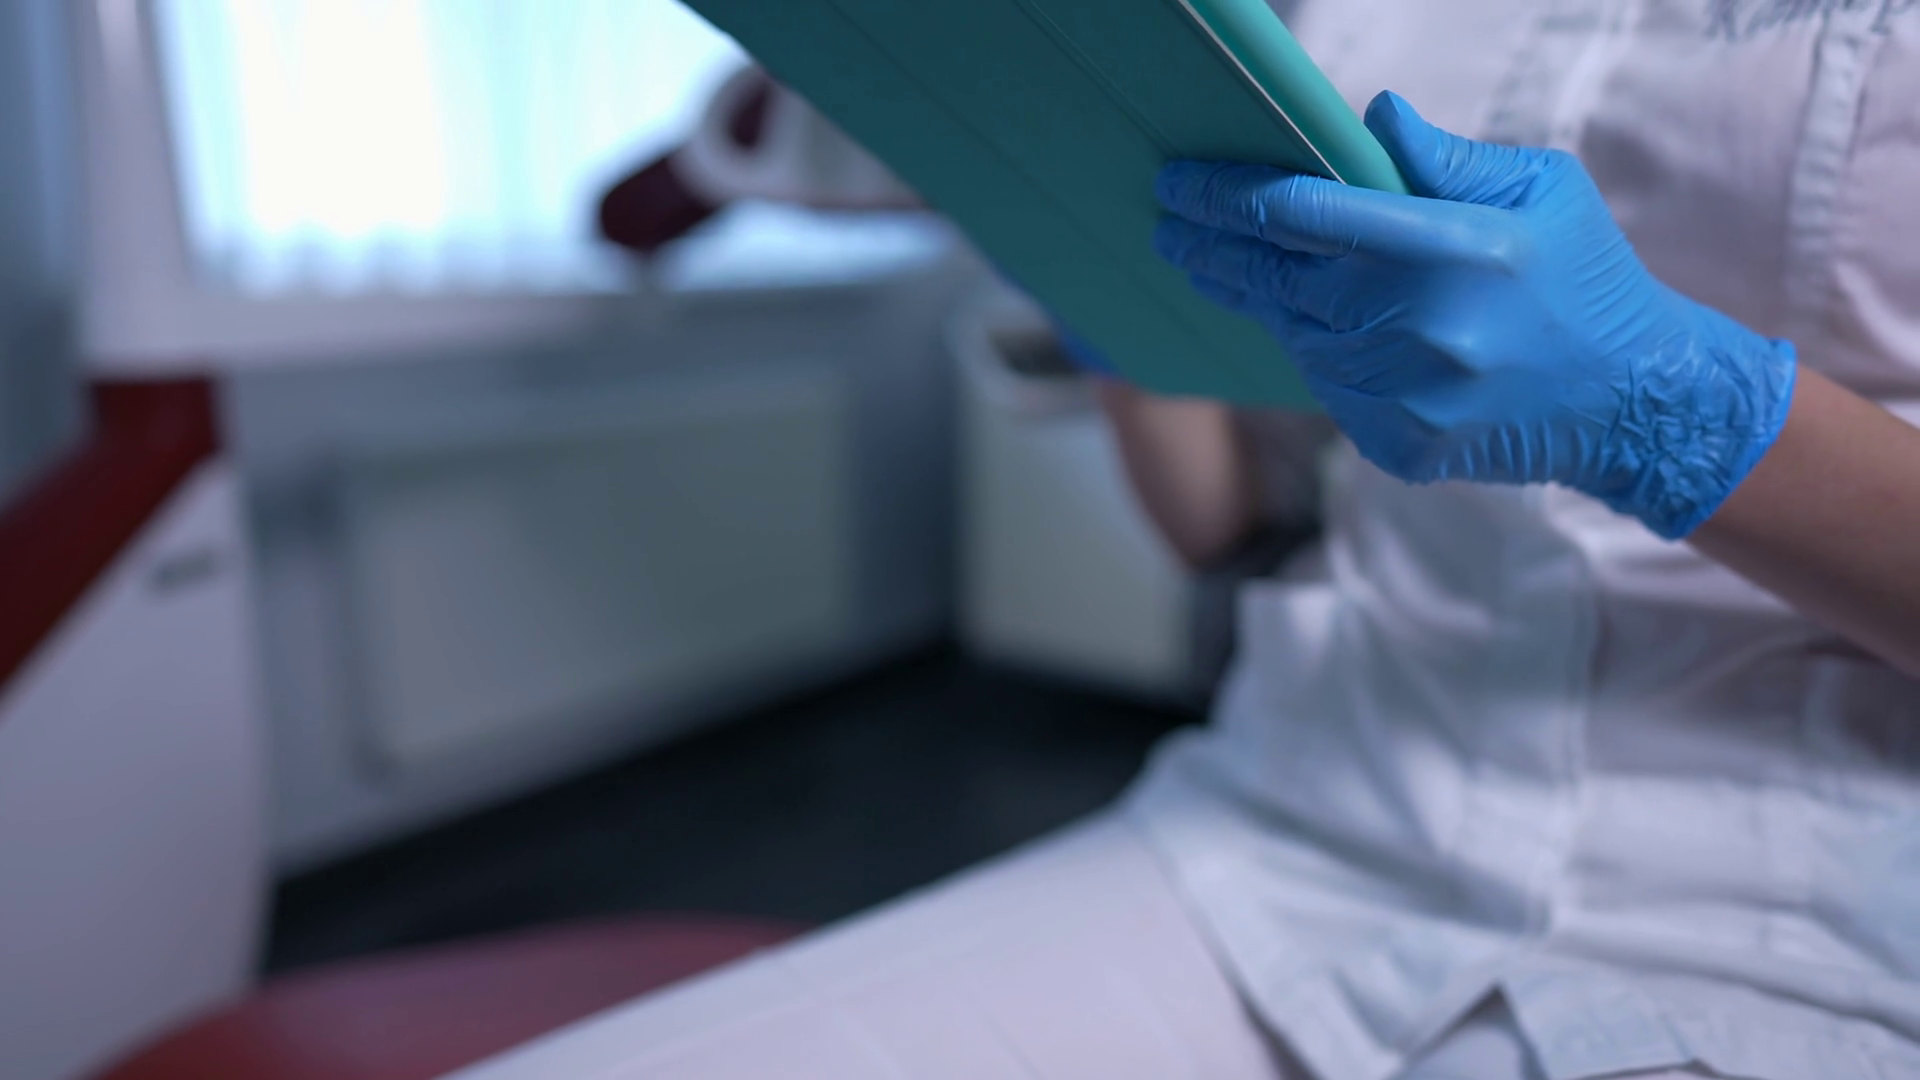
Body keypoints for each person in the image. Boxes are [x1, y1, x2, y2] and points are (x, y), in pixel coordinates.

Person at [471, 4, 1920, 1078]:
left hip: (1802, 941)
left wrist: (1673, 408)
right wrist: (1083, 252)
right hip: (1300, 836)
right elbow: (1222, 519)